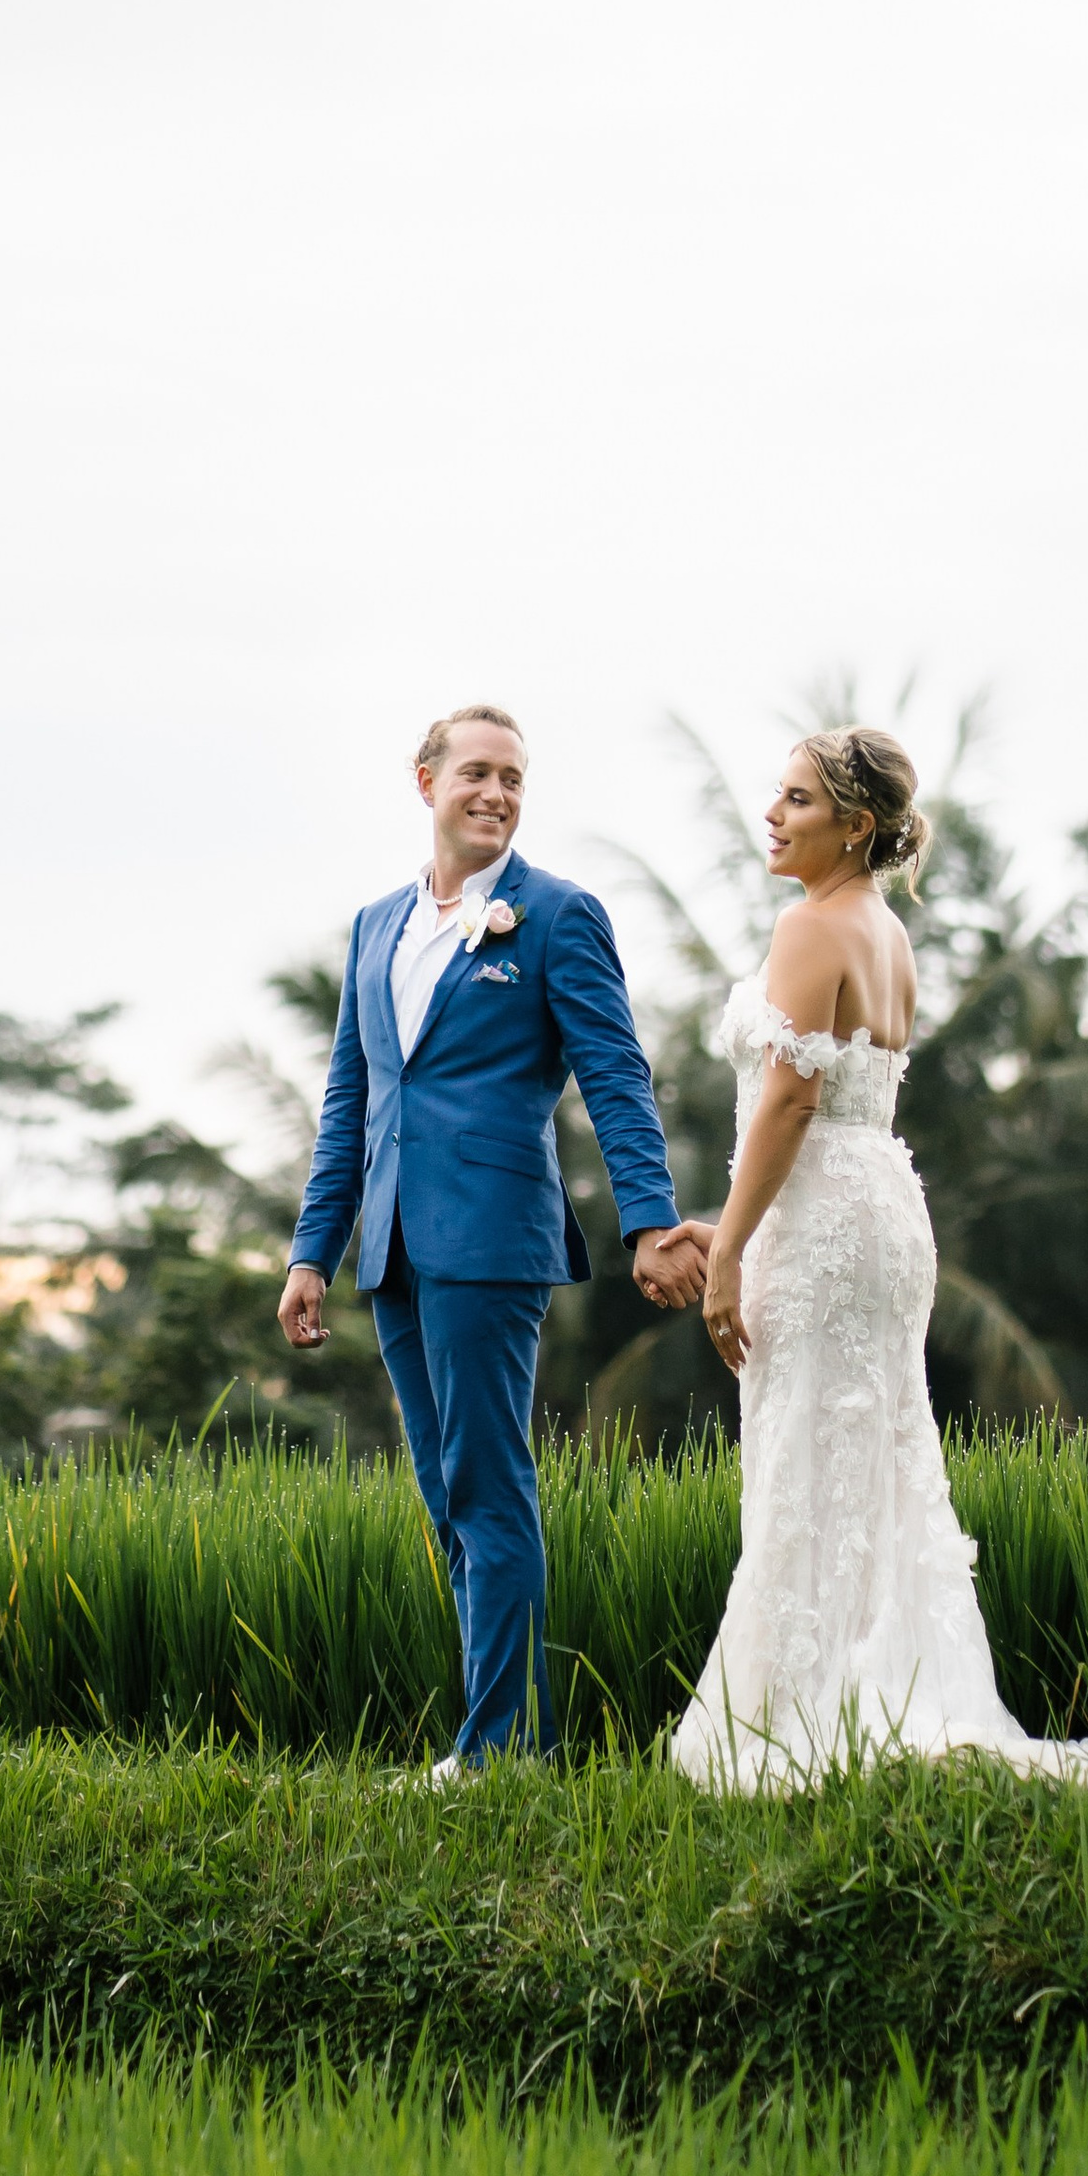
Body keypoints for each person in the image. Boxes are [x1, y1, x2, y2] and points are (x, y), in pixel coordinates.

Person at [672, 724, 1088, 1795]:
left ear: (853, 823)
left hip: (823, 1220)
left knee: (805, 1460)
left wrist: (727, 1251)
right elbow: (825, 1100)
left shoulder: (810, 929)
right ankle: (874, 1695)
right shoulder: (886, 932)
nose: (772, 813)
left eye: (796, 800)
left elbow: (791, 1101)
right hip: (881, 1211)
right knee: (871, 1462)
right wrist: (740, 1223)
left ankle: (796, 1724)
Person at [280, 707, 703, 1773]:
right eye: (476, 773)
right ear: (424, 782)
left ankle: (498, 1752)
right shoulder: (376, 927)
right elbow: (350, 1101)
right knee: (446, 1494)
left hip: (491, 1241)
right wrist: (309, 1253)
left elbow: (615, 1073)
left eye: (513, 778)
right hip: (390, 1251)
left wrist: (651, 1219)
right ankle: (500, 1739)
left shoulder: (558, 916)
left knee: (487, 1486)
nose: (497, 794)